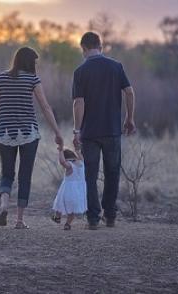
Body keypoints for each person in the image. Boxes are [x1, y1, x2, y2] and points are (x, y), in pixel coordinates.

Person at [0, 47, 63, 229]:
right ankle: (19, 220)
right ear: (29, 62)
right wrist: (57, 132)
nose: (36, 65)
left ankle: (4, 205)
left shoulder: (0, 78)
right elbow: (45, 107)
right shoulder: (33, 80)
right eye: (35, 62)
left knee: (7, 172)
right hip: (28, 133)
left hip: (5, 132)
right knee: (25, 175)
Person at [72, 32, 136, 230]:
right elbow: (129, 92)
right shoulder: (116, 67)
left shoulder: (80, 71)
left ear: (83, 48)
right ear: (100, 45)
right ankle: (110, 216)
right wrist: (129, 118)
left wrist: (76, 130)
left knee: (89, 175)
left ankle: (93, 218)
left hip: (90, 132)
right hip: (112, 130)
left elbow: (78, 103)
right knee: (112, 172)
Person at [51, 147, 87, 230]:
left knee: (60, 202)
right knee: (72, 209)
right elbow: (79, 154)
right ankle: (67, 224)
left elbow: (62, 162)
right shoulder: (81, 163)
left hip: (68, 190)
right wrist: (77, 149)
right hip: (79, 191)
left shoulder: (69, 165)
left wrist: (60, 151)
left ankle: (57, 217)